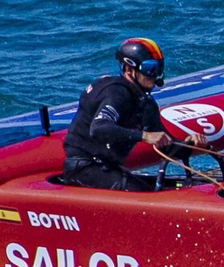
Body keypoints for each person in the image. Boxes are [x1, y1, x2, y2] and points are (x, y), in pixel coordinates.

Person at [61, 37, 207, 190]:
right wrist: (144, 136)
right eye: (149, 69)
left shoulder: (146, 104)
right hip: (82, 169)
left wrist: (191, 145)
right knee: (146, 196)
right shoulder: (116, 93)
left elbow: (168, 148)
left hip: (109, 169)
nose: (154, 75)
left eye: (159, 68)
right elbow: (99, 128)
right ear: (129, 70)